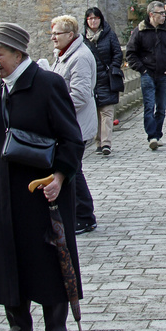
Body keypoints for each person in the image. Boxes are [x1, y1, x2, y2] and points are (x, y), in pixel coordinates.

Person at [0, 22, 84, 331]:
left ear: (17, 53)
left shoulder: (47, 84)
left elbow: (71, 138)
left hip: (39, 188)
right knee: (5, 257)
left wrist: (60, 177)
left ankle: (56, 328)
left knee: (47, 257)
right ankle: (18, 328)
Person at [50, 15, 98, 234]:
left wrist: (53, 109)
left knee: (73, 169)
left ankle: (84, 216)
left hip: (75, 124)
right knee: (72, 168)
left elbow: (79, 95)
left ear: (70, 35)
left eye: (56, 33)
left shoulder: (79, 57)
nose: (52, 37)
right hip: (69, 123)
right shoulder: (64, 55)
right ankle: (80, 214)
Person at [126, 1, 166, 150]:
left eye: (164, 13)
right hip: (147, 73)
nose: (164, 15)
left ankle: (157, 134)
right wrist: (142, 69)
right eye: (161, 13)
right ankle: (151, 135)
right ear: (151, 14)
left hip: (164, 74)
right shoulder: (141, 30)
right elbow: (131, 53)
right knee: (149, 105)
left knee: (162, 107)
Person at [82, 7, 123, 157]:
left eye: (96, 18)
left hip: (107, 78)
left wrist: (112, 68)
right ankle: (98, 141)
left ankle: (106, 143)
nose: (93, 21)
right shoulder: (83, 39)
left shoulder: (109, 35)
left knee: (107, 111)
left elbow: (117, 53)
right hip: (91, 80)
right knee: (96, 112)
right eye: (90, 19)